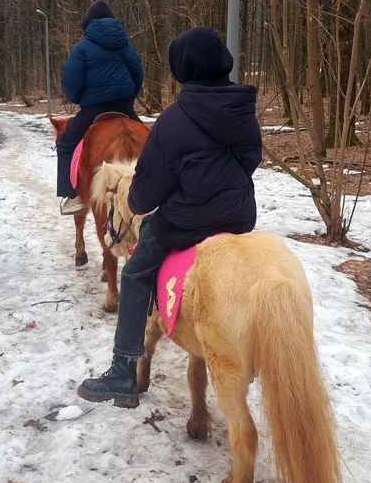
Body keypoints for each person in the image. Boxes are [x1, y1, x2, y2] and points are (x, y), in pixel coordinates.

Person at [77, 25, 263, 404]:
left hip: (186, 224)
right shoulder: (245, 110)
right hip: (241, 218)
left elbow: (143, 197)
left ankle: (123, 371)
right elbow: (251, 160)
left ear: (183, 68)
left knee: (135, 273)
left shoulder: (174, 120)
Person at [57, 0, 143, 214]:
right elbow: (138, 75)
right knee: (154, 143)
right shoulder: (126, 46)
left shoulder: (83, 48)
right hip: (125, 107)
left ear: (88, 25)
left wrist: (76, 97)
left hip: (94, 110)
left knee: (66, 143)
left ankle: (73, 196)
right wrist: (129, 95)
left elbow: (71, 83)